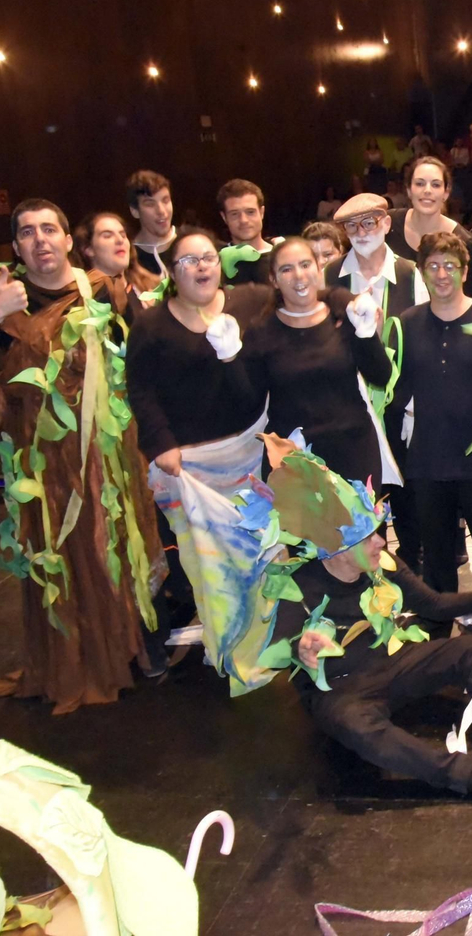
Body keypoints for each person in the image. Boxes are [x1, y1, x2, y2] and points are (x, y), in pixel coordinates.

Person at [263, 442, 472, 797]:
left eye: (380, 532)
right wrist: (301, 647)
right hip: (342, 689)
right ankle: (465, 774)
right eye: (369, 538)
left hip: (392, 664)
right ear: (337, 546)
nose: (382, 542)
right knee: (358, 728)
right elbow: (283, 642)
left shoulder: (384, 565)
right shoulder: (299, 584)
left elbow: (435, 605)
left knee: (468, 650)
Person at [0, 199, 163, 714]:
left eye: (49, 229)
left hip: (104, 458)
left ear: (69, 240)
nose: (40, 239)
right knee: (62, 560)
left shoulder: (104, 289)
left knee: (106, 549)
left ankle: (125, 649)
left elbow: (149, 357)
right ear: (17, 247)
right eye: (27, 232)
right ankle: (74, 659)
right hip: (41, 466)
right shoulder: (4, 302)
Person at [125, 228, 273, 693]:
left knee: (262, 557)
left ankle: (265, 648)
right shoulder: (151, 326)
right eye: (189, 261)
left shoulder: (249, 303)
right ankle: (226, 644)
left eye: (208, 257)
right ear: (173, 272)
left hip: (249, 455)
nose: (202, 267)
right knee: (209, 566)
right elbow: (141, 393)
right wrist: (162, 444)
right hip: (189, 467)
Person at [398, 233, 472, 595]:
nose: (442, 274)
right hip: (428, 458)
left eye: (450, 265)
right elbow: (393, 389)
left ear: (465, 272)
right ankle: (440, 632)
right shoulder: (406, 324)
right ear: (421, 272)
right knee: (436, 556)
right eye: (432, 266)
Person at [326, 193, 426, 568]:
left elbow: (419, 335)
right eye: (352, 226)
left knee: (408, 490)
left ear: (386, 224)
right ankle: (363, 572)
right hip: (352, 403)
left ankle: (411, 568)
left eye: (369, 222)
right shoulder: (330, 275)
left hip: (401, 400)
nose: (361, 232)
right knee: (361, 492)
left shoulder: (410, 273)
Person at [245, 238, 393, 484]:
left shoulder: (343, 313)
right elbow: (249, 401)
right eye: (286, 269)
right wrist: (229, 358)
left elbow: (381, 376)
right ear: (274, 280)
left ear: (318, 268)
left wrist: (367, 335)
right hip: (292, 459)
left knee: (358, 521)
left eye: (305, 264)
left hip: (353, 451)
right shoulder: (261, 331)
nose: (299, 275)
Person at [386, 157, 472, 298]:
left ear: (446, 192)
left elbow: (469, 299)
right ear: (408, 190)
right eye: (420, 184)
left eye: (436, 185)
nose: (427, 190)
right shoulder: (387, 225)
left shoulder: (465, 242)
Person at [72, 211, 155, 296]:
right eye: (108, 236)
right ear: (88, 249)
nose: (120, 240)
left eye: (123, 235)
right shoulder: (82, 300)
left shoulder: (153, 289)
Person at [218, 179, 274, 285]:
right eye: (234, 214)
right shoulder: (214, 262)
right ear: (224, 217)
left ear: (261, 212)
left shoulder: (282, 256)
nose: (243, 220)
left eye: (250, 212)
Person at [126, 169, 175, 281]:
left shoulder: (192, 243)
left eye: (165, 200)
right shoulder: (128, 258)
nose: (161, 211)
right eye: (150, 204)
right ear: (135, 211)